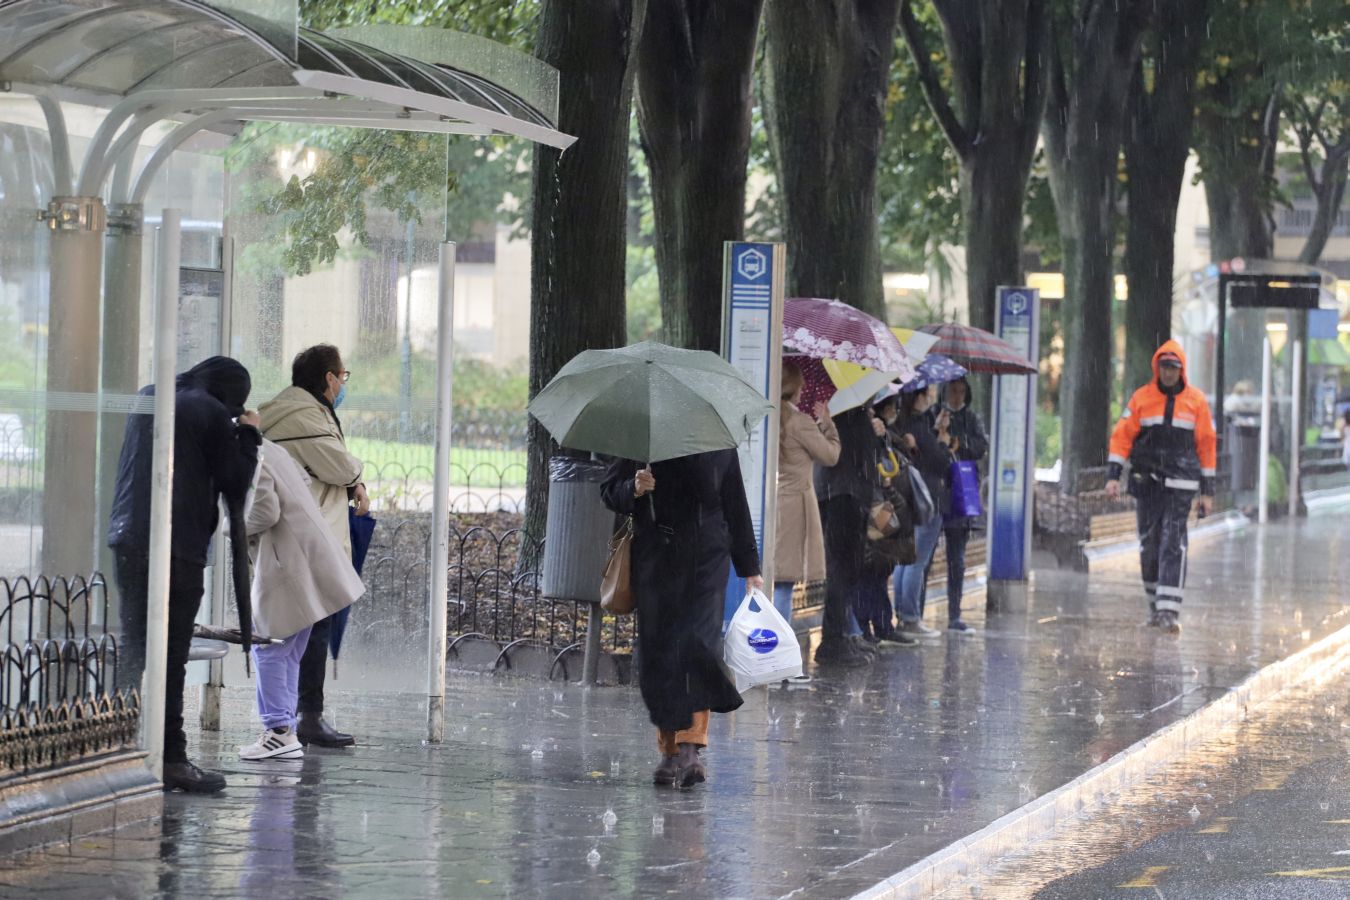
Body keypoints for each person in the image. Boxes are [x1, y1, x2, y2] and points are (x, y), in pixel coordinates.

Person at [108, 356, 261, 793]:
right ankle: (172, 757)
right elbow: (235, 482)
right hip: (177, 546)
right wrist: (248, 433)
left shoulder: (152, 395)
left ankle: (118, 743)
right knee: (172, 653)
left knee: (134, 646)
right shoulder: (210, 411)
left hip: (129, 537)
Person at [601, 451, 762, 788]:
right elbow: (609, 491)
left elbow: (734, 499)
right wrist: (634, 487)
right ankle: (670, 750)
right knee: (660, 650)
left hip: (707, 556)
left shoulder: (715, 439)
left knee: (698, 643)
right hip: (657, 553)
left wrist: (749, 566)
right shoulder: (642, 437)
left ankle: (691, 747)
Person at [258, 344, 368, 748]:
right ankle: (302, 719)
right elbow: (339, 464)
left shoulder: (284, 410)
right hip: (309, 535)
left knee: (296, 632)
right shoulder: (305, 417)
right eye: (343, 376)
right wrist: (356, 476)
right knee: (309, 629)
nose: (343, 383)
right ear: (328, 378)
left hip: (287, 536)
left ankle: (289, 721)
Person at [239, 440, 366, 761]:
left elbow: (265, 510)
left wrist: (232, 527)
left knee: (267, 644)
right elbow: (304, 482)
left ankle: (278, 731)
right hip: (306, 559)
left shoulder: (254, 456)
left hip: (285, 563)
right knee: (290, 650)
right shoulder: (273, 450)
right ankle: (284, 730)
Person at [1106, 340, 1216, 634]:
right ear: (1158, 368)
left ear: (1181, 370)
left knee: (1173, 542)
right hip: (1148, 481)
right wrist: (1113, 475)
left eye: (1174, 368)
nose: (1168, 373)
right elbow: (1122, 437)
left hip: (1181, 483)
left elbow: (1206, 446)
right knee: (1149, 543)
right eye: (1165, 367)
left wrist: (1207, 491)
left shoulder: (1196, 402)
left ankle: (1169, 609)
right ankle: (1155, 604)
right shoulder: (1141, 399)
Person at [815, 405, 886, 667]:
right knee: (842, 570)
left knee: (847, 571)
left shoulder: (852, 413)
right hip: (845, 496)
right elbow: (865, 458)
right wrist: (874, 434)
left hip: (845, 494)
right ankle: (832, 640)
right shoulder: (847, 414)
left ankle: (841, 635)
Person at [773, 360, 840, 628]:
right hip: (794, 508)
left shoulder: (769, 417)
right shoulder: (800, 422)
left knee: (771, 577)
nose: (802, 392)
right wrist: (827, 424)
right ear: (793, 388)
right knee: (784, 582)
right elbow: (830, 455)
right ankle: (777, 651)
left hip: (772, 504)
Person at [891, 385, 956, 638]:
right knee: (917, 562)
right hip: (927, 501)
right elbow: (939, 463)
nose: (931, 396)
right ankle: (910, 617)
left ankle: (901, 614)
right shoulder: (918, 424)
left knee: (904, 560)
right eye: (927, 393)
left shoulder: (902, 423)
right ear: (917, 397)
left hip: (908, 499)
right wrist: (942, 441)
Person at [939, 378, 988, 634]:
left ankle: (954, 613)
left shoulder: (971, 418)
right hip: (939, 491)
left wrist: (961, 444)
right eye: (952, 391)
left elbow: (981, 446)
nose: (956, 396)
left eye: (960, 391)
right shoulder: (936, 416)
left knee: (956, 559)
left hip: (962, 493)